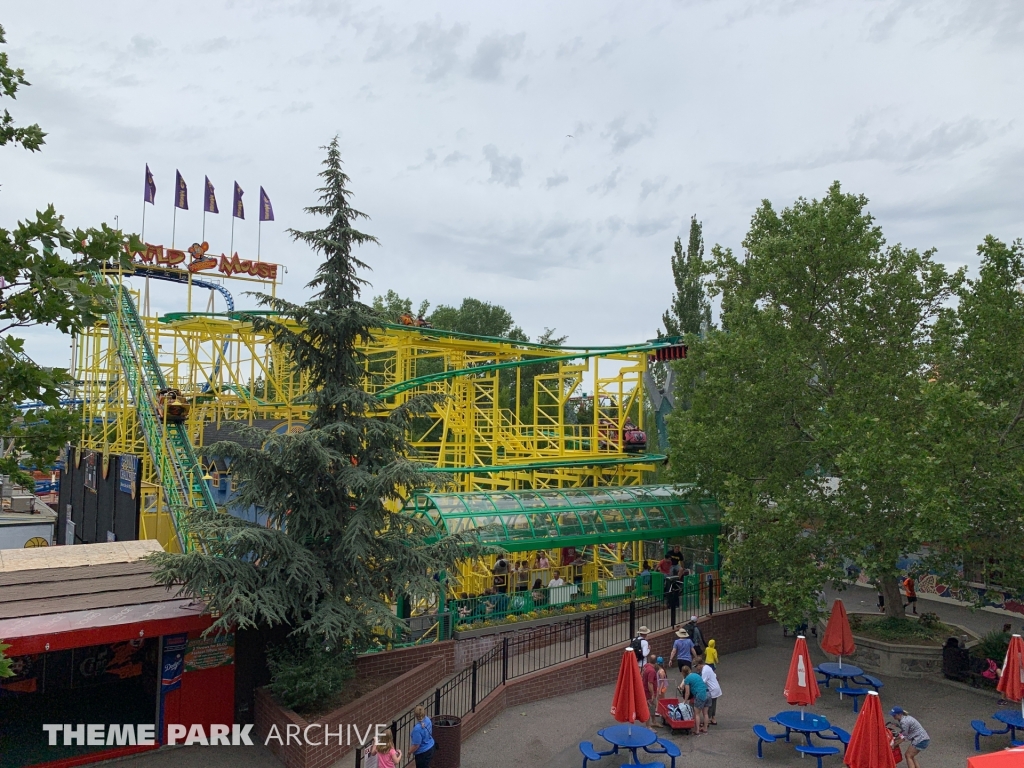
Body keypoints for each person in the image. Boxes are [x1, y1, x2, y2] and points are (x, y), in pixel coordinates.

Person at [678, 663, 709, 734]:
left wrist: (684, 701)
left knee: (696, 713)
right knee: (705, 713)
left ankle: (697, 730)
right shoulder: (696, 674)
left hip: (700, 694)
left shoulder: (687, 679)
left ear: (683, 673)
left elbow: (687, 692)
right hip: (707, 693)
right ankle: (705, 729)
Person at [696, 657, 722, 725]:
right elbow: (714, 675)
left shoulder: (704, 671)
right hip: (716, 688)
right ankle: (713, 719)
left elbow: (702, 681)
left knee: (708, 706)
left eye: (696, 666)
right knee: (713, 704)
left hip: (712, 689)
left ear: (699, 664)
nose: (696, 668)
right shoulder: (707, 667)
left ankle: (707, 721)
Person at [642, 652, 659, 725]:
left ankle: (654, 721)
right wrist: (652, 694)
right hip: (649, 693)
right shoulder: (652, 671)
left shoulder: (646, 666)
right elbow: (650, 683)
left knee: (652, 707)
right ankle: (648, 726)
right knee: (649, 708)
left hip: (645, 690)